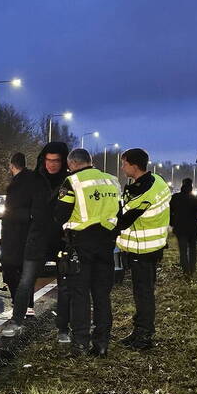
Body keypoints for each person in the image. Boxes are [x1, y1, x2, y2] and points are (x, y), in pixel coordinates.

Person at [53, 148, 120, 356]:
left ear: (72, 164)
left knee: (80, 294)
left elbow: (60, 214)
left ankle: (80, 343)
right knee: (102, 294)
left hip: (81, 244)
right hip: (106, 243)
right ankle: (102, 344)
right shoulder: (112, 180)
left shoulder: (72, 182)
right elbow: (120, 211)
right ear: (90, 161)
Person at [115, 148, 171, 350]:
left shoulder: (142, 193)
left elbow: (121, 221)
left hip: (142, 250)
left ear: (134, 166)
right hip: (152, 247)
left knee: (143, 293)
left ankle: (144, 336)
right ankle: (139, 330)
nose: (122, 168)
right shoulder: (157, 181)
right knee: (142, 292)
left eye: (124, 164)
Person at [0, 152, 50, 337]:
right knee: (24, 273)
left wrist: (10, 216)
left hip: (17, 238)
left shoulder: (19, 184)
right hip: (32, 238)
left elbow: (15, 212)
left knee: (14, 272)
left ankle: (20, 310)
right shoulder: (36, 180)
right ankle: (26, 307)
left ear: (11, 165)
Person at [35, 140, 72, 343]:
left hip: (63, 239)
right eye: (48, 160)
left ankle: (63, 328)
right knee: (23, 278)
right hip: (37, 238)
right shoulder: (35, 179)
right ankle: (19, 319)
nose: (51, 165)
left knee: (65, 286)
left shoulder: (71, 181)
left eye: (56, 161)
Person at [169, 177, 197, 276]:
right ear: (191, 186)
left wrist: (172, 222)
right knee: (193, 248)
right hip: (193, 228)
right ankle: (192, 268)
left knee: (183, 250)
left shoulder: (176, 197)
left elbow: (170, 211)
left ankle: (185, 270)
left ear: (182, 185)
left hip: (180, 228)